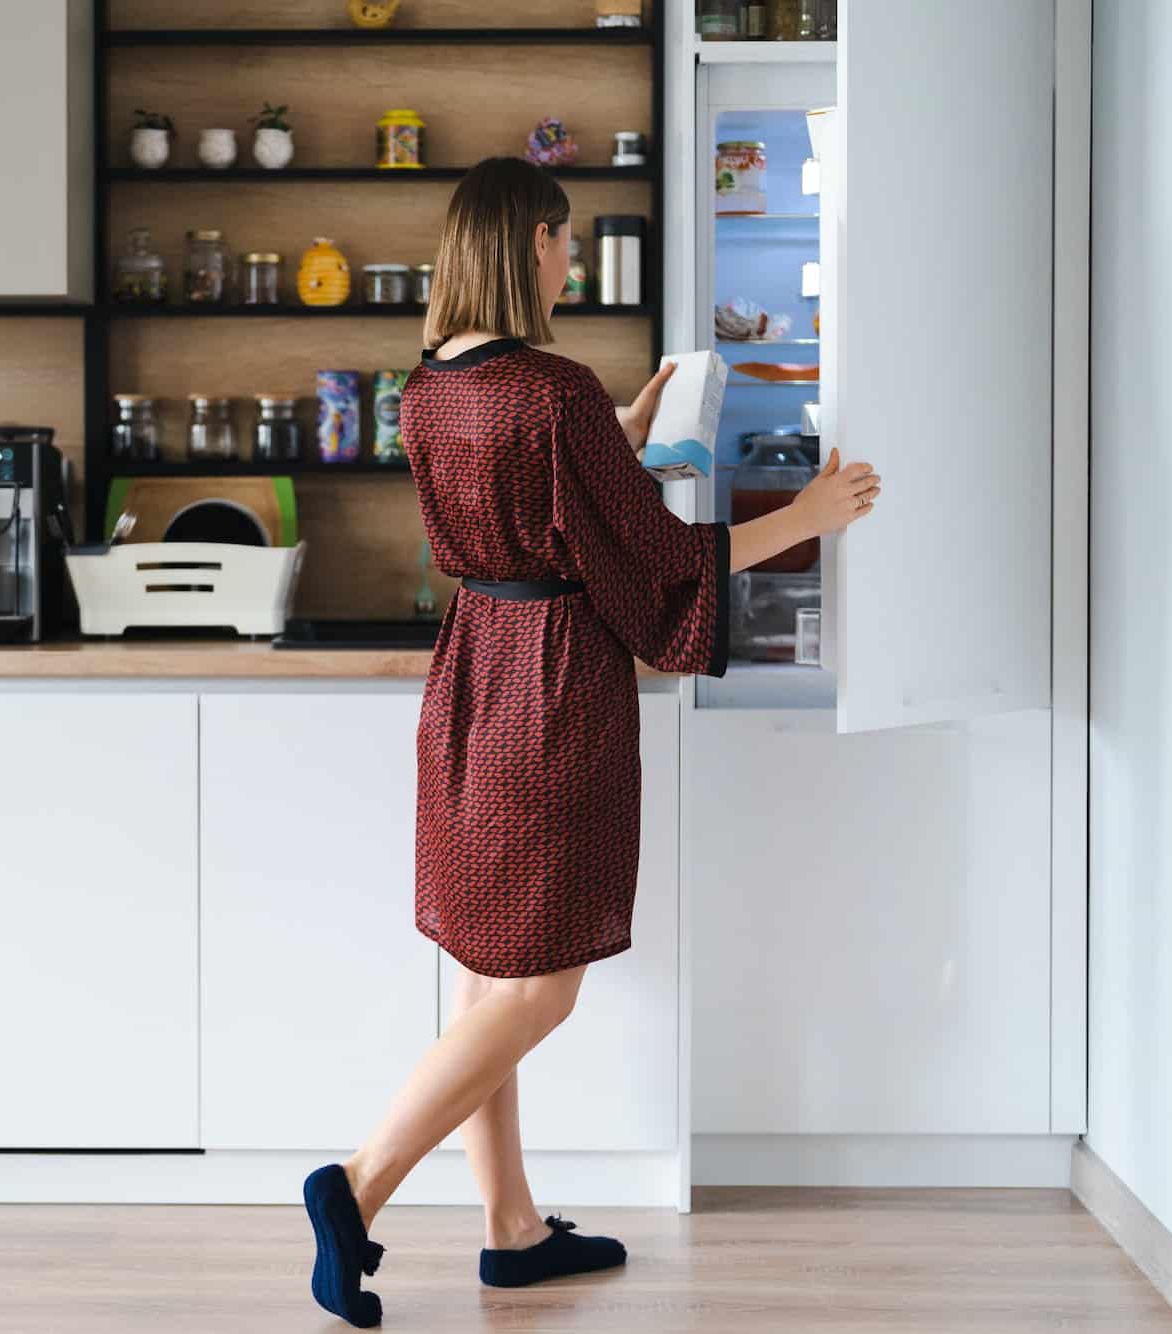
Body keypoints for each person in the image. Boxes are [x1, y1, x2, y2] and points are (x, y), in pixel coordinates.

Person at [301, 157, 880, 1328]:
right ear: (530, 247)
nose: (569, 259)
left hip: (469, 675)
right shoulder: (551, 391)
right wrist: (804, 517)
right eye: (561, 241)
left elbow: (518, 491)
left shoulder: (427, 388)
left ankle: (511, 1230)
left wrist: (612, 437)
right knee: (541, 984)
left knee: (482, 967)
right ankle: (354, 1186)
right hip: (551, 690)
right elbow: (658, 565)